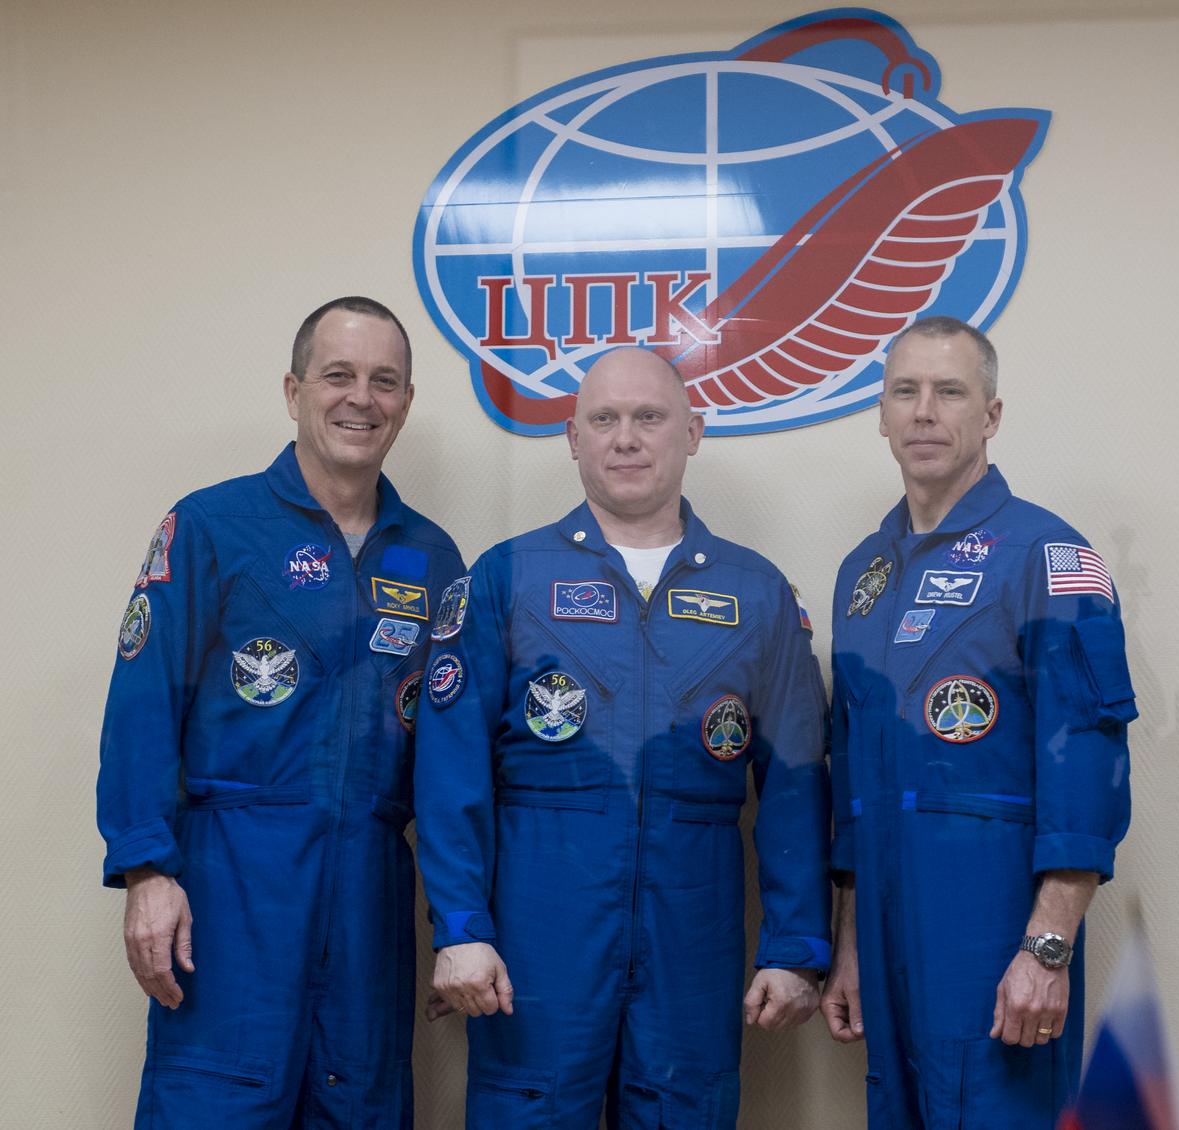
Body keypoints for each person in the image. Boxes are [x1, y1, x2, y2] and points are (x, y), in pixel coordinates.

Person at [414, 346, 831, 1128]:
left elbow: (796, 787)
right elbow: (449, 769)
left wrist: (796, 946)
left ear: (693, 433)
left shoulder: (758, 594)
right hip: (538, 939)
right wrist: (462, 928)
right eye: (603, 419)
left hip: (694, 937)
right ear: (573, 438)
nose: (626, 438)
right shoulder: (507, 578)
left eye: (649, 417)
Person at [97, 297, 464, 1128]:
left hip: (371, 891)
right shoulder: (209, 527)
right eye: (338, 375)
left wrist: (457, 915)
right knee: (214, 1103)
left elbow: (451, 760)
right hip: (230, 887)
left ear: (406, 403)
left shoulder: (433, 559)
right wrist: (147, 868)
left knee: (359, 1103)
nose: (359, 398)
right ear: (294, 390)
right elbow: (142, 703)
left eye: (384, 381)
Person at [821, 316, 1136, 1127]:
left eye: (949, 392)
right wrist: (850, 942)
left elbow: (1087, 770)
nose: (925, 412)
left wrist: (1048, 948)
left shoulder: (1048, 556)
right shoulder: (864, 573)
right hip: (887, 924)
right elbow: (853, 783)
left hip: (993, 921)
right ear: (882, 414)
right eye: (905, 392)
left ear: (990, 415)